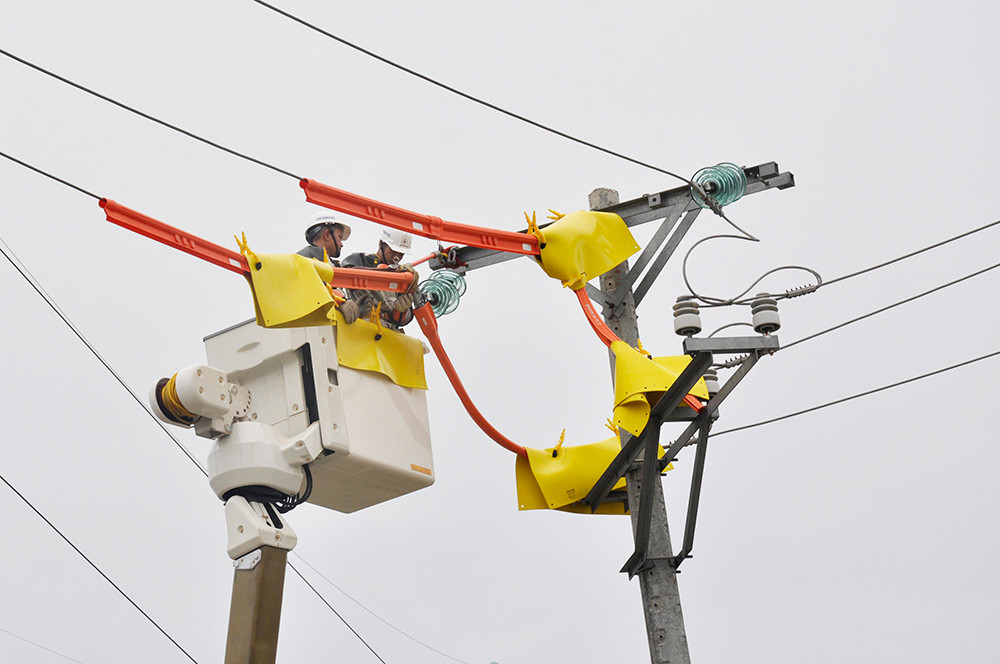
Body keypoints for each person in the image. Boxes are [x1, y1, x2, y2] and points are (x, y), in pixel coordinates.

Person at [342, 228, 419, 330]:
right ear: (381, 244)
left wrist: (401, 311)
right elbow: (346, 273)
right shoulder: (360, 260)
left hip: (389, 331)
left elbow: (404, 319)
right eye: (394, 251)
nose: (397, 257)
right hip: (365, 325)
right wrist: (384, 271)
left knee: (422, 346)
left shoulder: (401, 278)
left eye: (401, 254)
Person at [298, 211, 360, 323]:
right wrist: (342, 301)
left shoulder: (331, 264)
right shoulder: (307, 257)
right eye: (339, 237)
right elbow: (315, 285)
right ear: (327, 234)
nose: (341, 244)